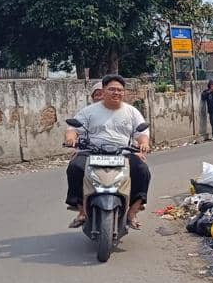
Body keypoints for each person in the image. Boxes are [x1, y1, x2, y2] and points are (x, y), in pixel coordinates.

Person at [64, 75, 151, 229]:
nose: (116, 93)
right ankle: (82, 211)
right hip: (93, 152)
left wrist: (143, 144)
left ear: (124, 93)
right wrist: (71, 139)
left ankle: (132, 211)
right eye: (111, 89)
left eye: (119, 90)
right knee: (75, 167)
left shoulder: (132, 112)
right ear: (103, 91)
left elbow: (142, 133)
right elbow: (73, 129)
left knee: (142, 170)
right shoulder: (89, 111)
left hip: (122, 153)